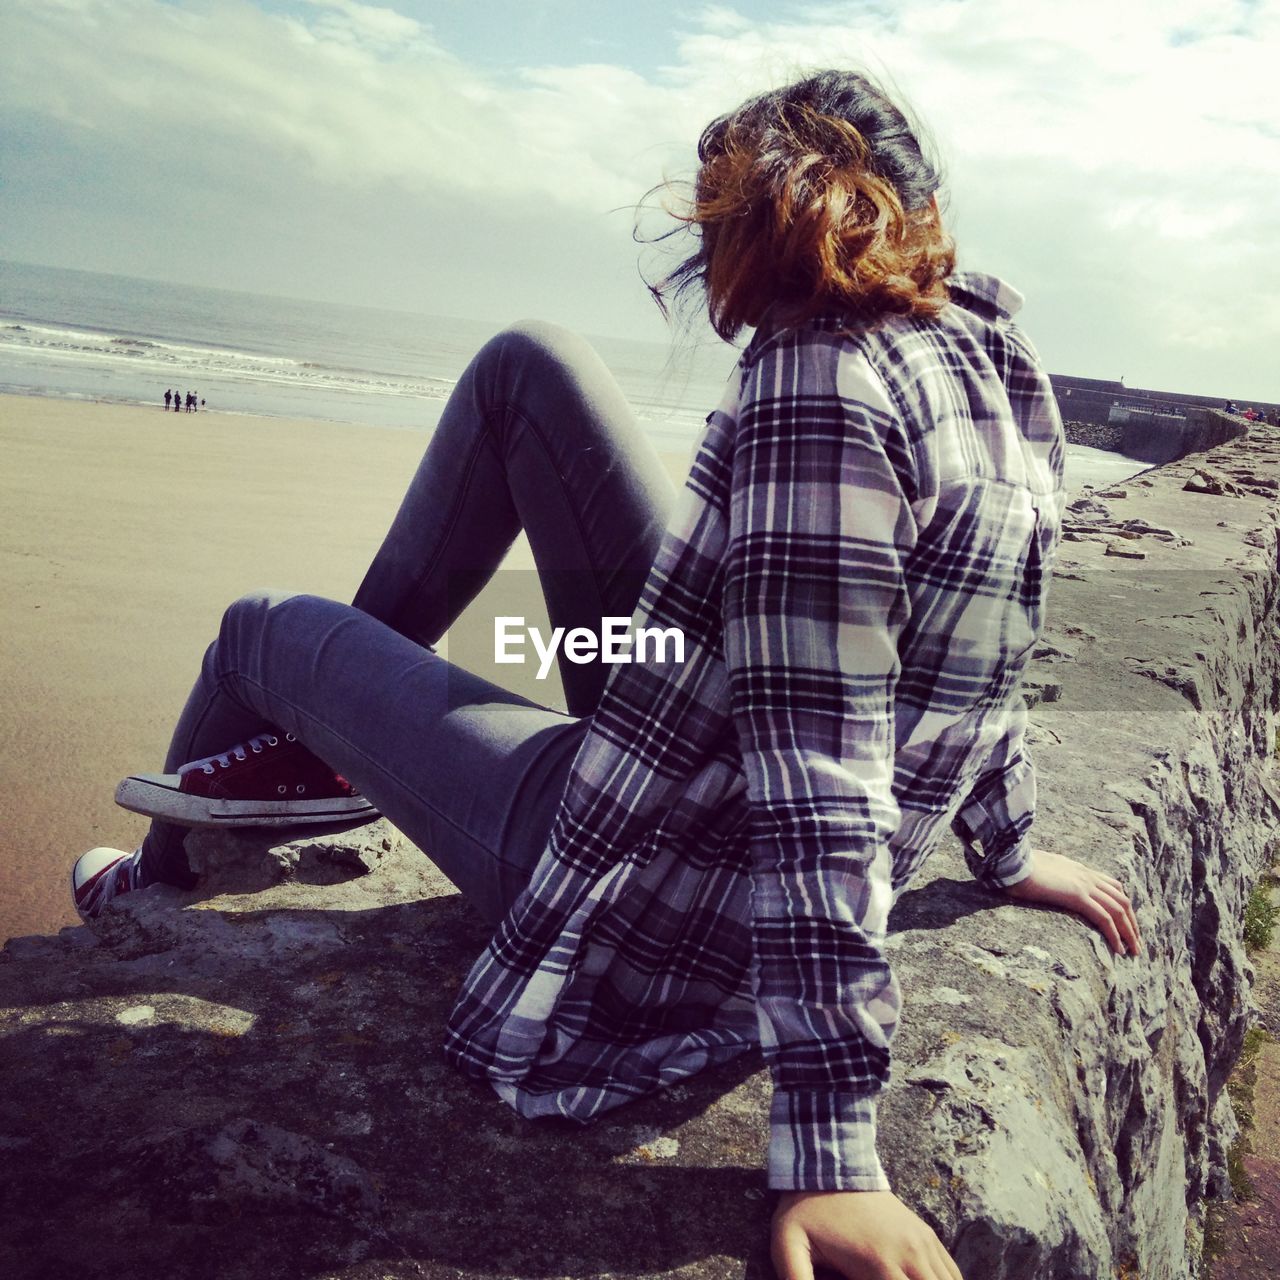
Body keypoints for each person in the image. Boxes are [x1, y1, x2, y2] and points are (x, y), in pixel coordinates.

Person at [69, 69, 1141, 1280]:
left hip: (656, 901)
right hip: (700, 762)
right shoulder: (992, 360)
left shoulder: (817, 380)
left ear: (743, 221)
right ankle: (320, 745)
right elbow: (976, 656)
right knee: (527, 363)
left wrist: (831, 1149)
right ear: (918, 202)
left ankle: (154, 890)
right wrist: (1006, 849)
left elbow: (818, 770)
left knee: (257, 627)